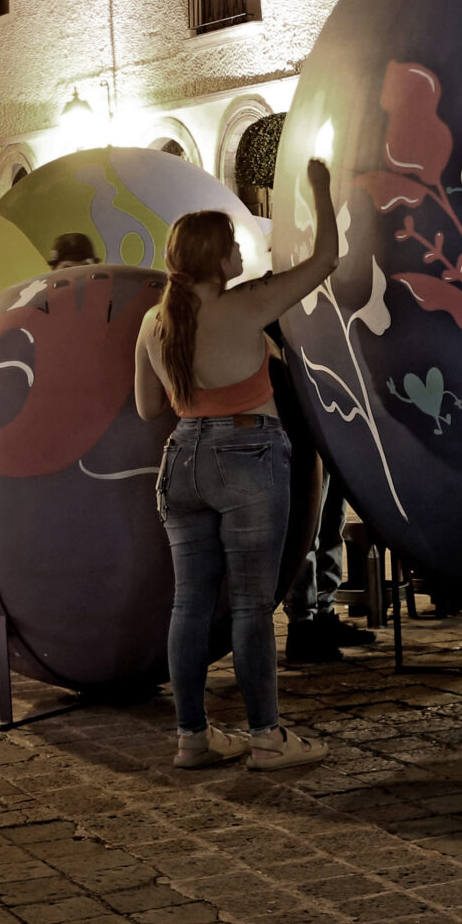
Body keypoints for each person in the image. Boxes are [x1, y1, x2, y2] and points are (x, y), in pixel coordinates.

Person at [134, 165, 338, 770]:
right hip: (248, 454)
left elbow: (150, 406)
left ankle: (191, 737)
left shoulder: (154, 321)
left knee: (190, 605)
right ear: (216, 257)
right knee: (251, 605)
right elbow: (325, 259)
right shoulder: (248, 304)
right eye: (233, 245)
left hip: (182, 459)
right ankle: (267, 738)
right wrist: (321, 191)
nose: (240, 252)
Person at [284, 471, 377, 663]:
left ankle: (323, 617)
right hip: (306, 446)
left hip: (333, 445)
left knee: (332, 526)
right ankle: (301, 627)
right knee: (305, 532)